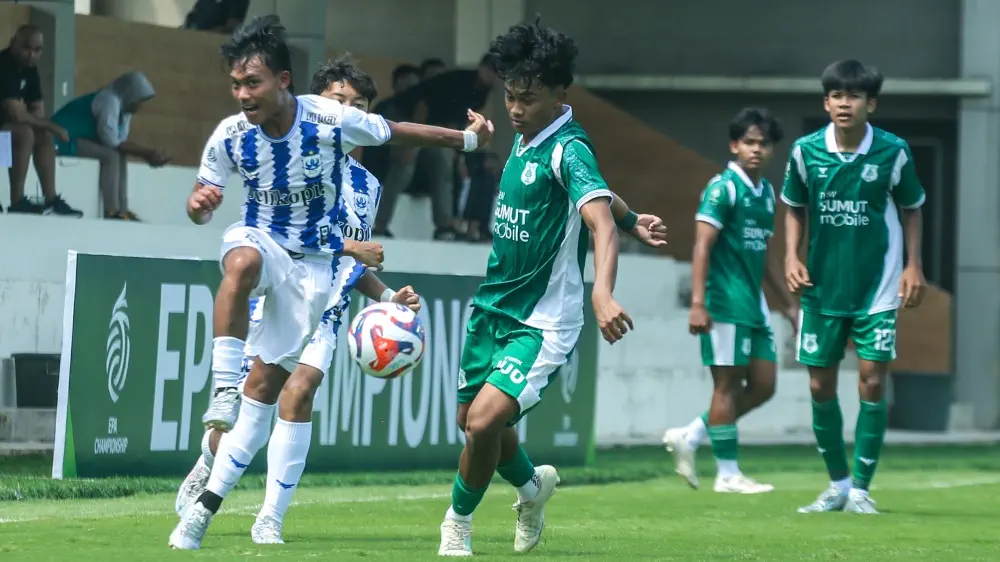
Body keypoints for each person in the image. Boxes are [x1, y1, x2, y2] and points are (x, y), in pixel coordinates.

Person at [169, 14, 493, 550]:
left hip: (324, 293)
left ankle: (265, 513)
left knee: (296, 391)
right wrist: (200, 204)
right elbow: (211, 198)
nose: (349, 111)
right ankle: (216, 434)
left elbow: (398, 137)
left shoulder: (363, 182)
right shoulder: (238, 135)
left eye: (357, 104)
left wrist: (387, 294)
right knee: (255, 370)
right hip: (272, 257)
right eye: (239, 85)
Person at [437, 20, 667, 557]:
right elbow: (604, 202)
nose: (515, 108)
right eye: (509, 96)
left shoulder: (570, 147)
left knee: (485, 421)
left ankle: (457, 524)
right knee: (472, 424)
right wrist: (634, 217)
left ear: (561, 94)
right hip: (493, 305)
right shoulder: (523, 137)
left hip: (542, 320)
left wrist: (602, 292)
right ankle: (532, 488)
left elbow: (598, 223)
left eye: (527, 98)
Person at [781, 60, 926, 514]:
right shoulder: (806, 152)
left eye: (854, 96)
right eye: (837, 95)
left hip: (877, 289)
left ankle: (861, 488)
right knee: (820, 386)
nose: (845, 103)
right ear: (826, 103)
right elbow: (793, 207)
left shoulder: (893, 151)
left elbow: (912, 209)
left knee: (872, 380)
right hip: (822, 289)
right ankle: (838, 484)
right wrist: (790, 255)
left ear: (871, 104)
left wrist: (913, 265)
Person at [662, 108, 798, 494]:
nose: (756, 150)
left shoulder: (767, 193)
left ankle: (691, 434)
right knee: (726, 386)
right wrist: (698, 303)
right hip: (723, 303)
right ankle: (727, 473)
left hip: (753, 306)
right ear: (734, 145)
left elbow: (766, 252)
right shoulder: (722, 188)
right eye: (749, 142)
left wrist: (788, 303)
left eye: (764, 143)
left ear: (772, 150)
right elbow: (702, 246)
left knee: (764, 383)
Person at [374, 55, 498, 241]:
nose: (494, 77)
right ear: (482, 69)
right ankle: (379, 225)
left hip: (433, 125)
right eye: (492, 72)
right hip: (405, 115)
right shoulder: (460, 81)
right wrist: (410, 143)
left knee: (444, 163)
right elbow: (423, 106)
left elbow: (455, 121)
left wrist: (458, 152)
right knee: (403, 167)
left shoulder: (482, 92)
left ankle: (444, 226)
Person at [51, 70, 172, 220]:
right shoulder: (109, 100)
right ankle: (111, 210)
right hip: (61, 139)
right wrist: (147, 153)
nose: (140, 105)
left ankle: (123, 209)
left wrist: (146, 154)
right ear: (130, 94)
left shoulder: (125, 109)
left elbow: (121, 144)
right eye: (139, 100)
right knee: (110, 156)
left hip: (78, 139)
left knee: (119, 154)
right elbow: (112, 141)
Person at [0, 24, 81, 216]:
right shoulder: (4, 65)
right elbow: (16, 113)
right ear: (13, 44)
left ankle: (51, 200)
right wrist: (51, 125)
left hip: (3, 144)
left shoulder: (30, 71)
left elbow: (37, 110)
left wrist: (45, 126)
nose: (32, 55)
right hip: (3, 145)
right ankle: (17, 201)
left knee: (42, 134)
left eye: (37, 50)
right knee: (24, 132)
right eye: (27, 48)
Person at [182, 0, 250, 33]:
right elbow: (191, 20)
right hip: (191, 45)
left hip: (214, 49)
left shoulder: (238, 1)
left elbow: (232, 28)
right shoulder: (203, 2)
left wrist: (201, 35)